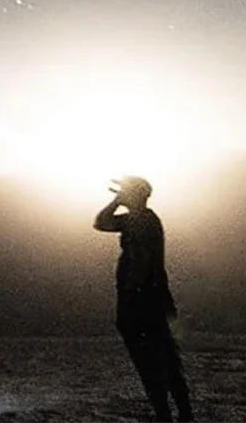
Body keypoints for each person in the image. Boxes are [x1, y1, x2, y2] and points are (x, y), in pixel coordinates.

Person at [93, 176, 194, 422]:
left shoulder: (140, 221)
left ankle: (167, 415)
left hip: (141, 299)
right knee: (164, 358)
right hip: (150, 297)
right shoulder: (142, 219)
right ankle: (181, 413)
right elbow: (101, 223)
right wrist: (119, 198)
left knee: (149, 360)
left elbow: (142, 260)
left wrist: (130, 295)